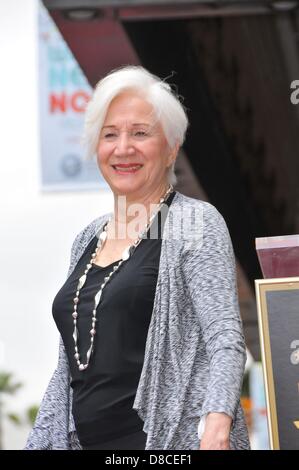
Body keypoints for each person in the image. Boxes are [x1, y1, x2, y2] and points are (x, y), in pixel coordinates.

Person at [25, 65, 250, 450]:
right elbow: (69, 369)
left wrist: (217, 423)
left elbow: (225, 338)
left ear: (172, 147)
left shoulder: (193, 221)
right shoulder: (87, 238)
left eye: (140, 133)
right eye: (110, 134)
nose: (123, 148)